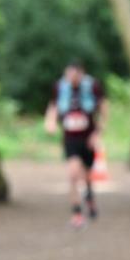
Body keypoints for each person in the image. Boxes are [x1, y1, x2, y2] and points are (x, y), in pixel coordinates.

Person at [44, 61, 107, 229]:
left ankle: (89, 196)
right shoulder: (60, 88)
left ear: (81, 74)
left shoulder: (92, 86)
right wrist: (50, 121)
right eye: (68, 75)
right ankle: (77, 213)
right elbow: (54, 106)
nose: (71, 78)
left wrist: (98, 133)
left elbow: (103, 108)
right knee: (72, 174)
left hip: (88, 139)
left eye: (74, 75)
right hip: (70, 139)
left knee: (86, 175)